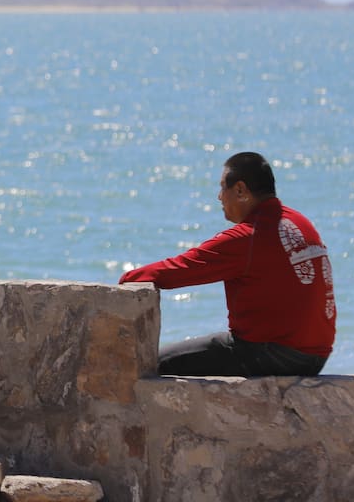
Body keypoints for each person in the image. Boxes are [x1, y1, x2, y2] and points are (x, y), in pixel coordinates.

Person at [119, 151, 336, 377]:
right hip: (316, 356)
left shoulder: (249, 237)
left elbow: (180, 269)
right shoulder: (301, 223)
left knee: (153, 364)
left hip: (275, 355)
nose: (219, 197)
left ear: (240, 190)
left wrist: (128, 279)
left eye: (223, 188)